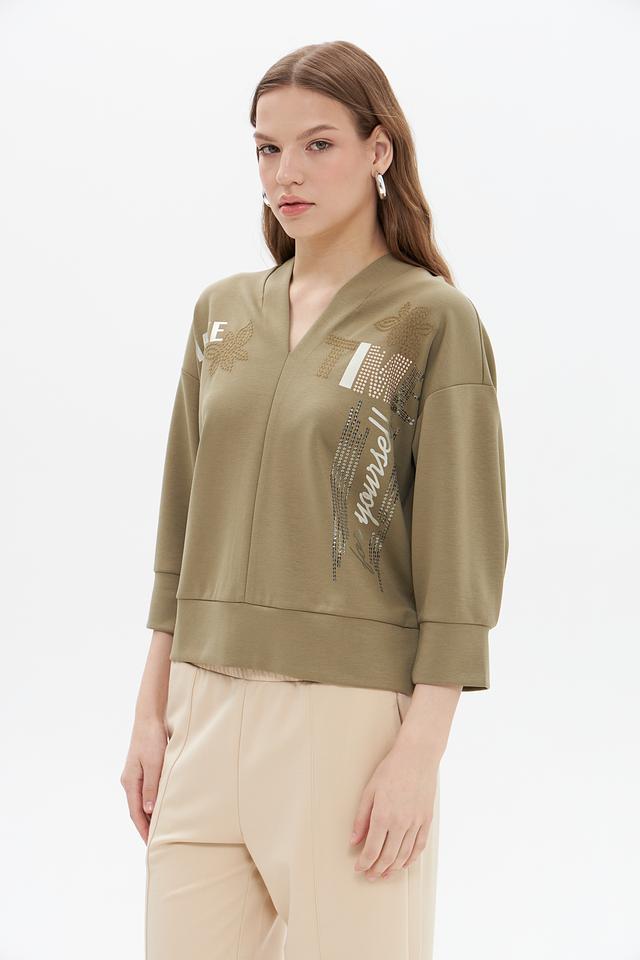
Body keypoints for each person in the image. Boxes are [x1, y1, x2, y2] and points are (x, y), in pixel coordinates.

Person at [121, 40, 509, 960]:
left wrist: (419, 754)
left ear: (380, 149)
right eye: (267, 148)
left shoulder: (431, 320)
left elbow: (462, 556)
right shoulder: (221, 314)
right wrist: (151, 711)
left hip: (345, 721)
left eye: (317, 144)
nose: (285, 173)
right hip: (201, 707)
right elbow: (181, 523)